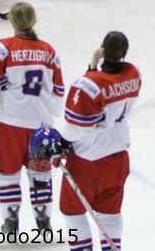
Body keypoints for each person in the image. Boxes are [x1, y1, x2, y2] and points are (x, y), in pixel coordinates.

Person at [32, 31, 140, 251]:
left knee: (72, 212)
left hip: (88, 161)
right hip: (118, 156)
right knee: (110, 214)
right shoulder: (133, 74)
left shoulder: (88, 84)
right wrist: (92, 67)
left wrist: (60, 143)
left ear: (102, 49)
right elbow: (104, 90)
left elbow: (76, 128)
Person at [0, 2, 64, 233]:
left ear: (12, 21)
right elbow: (58, 92)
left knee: (9, 173)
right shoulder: (49, 51)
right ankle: (43, 222)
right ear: (33, 21)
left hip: (11, 122)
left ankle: (11, 221)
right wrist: (46, 112)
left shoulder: (1, 48)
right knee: (40, 173)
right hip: (41, 124)